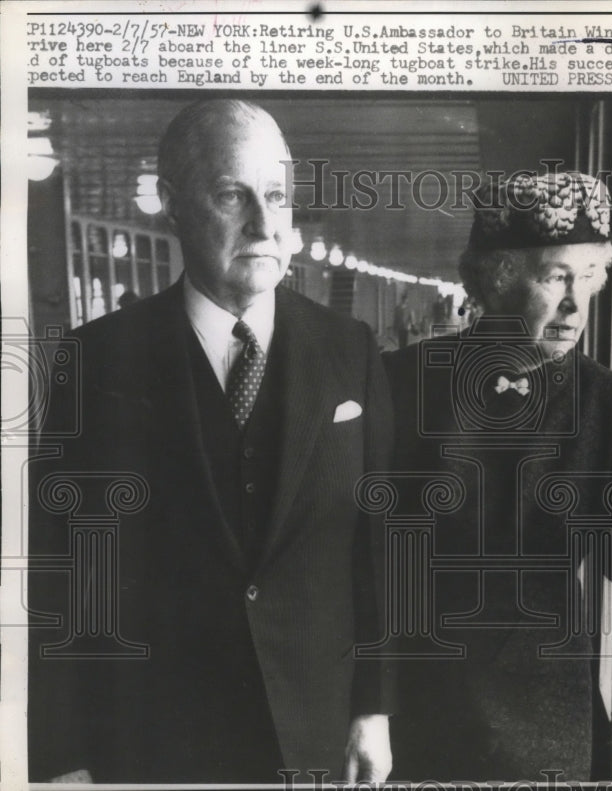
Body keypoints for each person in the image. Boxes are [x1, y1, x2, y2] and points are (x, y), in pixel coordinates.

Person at [28, 100, 393, 784]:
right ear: (171, 204)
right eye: (232, 194)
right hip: (153, 739)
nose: (263, 222)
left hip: (311, 732)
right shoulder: (100, 359)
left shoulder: (350, 350)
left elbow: (378, 543)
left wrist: (373, 710)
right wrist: (61, 753)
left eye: (277, 195)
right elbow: (65, 567)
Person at [382, 172, 612, 781]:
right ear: (494, 279)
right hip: (409, 696)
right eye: (555, 278)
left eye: (590, 277)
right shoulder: (399, 385)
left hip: (542, 708)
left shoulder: (608, 403)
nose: (577, 304)